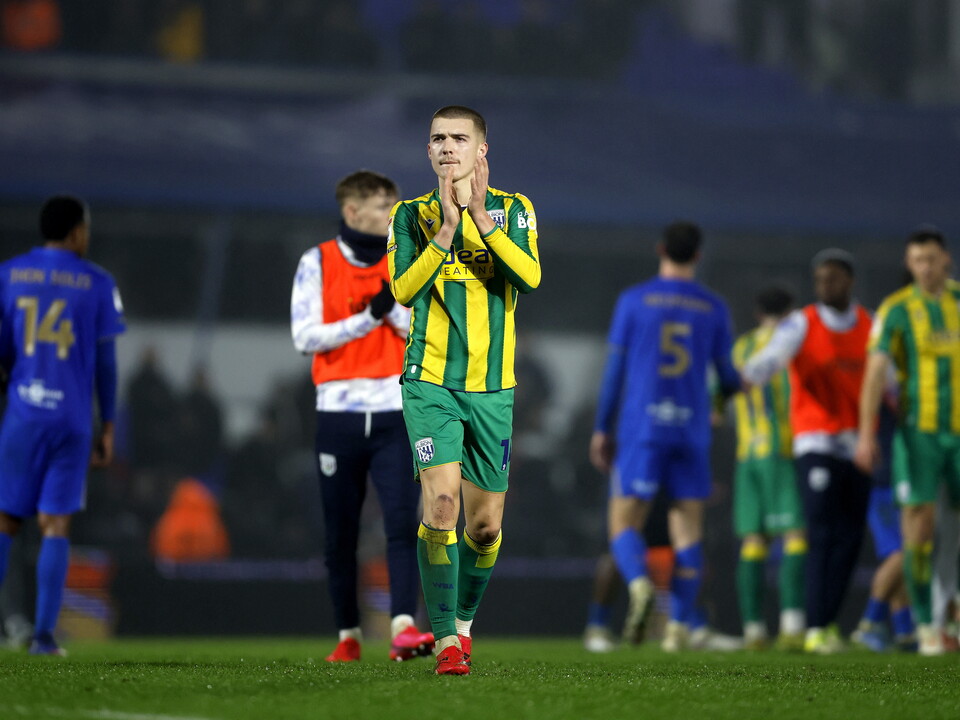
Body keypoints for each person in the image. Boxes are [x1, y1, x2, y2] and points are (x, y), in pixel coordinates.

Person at [388, 105, 541, 675]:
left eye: (459, 138)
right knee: (442, 505)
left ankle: (465, 623)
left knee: (485, 526)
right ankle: (446, 639)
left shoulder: (514, 209)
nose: (447, 147)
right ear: (428, 151)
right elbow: (403, 290)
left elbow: (529, 277)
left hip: (493, 390)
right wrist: (447, 232)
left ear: (482, 150)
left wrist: (478, 218)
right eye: (438, 139)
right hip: (430, 382)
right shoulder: (410, 215)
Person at [291, 170, 433, 663]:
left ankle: (402, 628)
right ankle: (348, 635)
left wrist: (390, 312)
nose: (394, 215)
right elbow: (305, 336)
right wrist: (367, 317)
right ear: (352, 212)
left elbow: (422, 328)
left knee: (402, 523)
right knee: (341, 532)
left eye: (395, 205)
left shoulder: (405, 260)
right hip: (339, 413)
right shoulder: (317, 262)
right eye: (382, 206)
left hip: (396, 409)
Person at [590, 221, 740, 652]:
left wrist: (602, 428)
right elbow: (728, 377)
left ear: (661, 250)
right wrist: (724, 398)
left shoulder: (634, 301)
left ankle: (639, 585)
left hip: (642, 429)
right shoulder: (713, 307)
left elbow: (615, 373)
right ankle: (677, 628)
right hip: (690, 430)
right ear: (697, 255)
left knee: (624, 524)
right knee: (688, 530)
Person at [0, 195, 125, 655]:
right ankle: (44, 638)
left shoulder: (10, 274)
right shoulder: (98, 282)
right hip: (71, 419)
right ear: (76, 231)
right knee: (55, 525)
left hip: (23, 414)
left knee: (6, 520)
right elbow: (107, 365)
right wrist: (108, 425)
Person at [743, 249, 872, 654]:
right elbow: (772, 357)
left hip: (857, 444)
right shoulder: (802, 322)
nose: (824, 286)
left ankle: (826, 625)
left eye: (832, 278)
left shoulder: (870, 324)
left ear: (850, 281)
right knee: (820, 532)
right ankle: (812, 625)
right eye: (818, 279)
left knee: (850, 539)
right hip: (815, 443)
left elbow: (885, 379)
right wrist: (749, 375)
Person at [854, 227, 960, 656]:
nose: (925, 268)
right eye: (917, 260)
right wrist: (865, 434)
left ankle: (949, 611)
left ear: (946, 259)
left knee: (955, 529)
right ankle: (926, 626)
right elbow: (875, 374)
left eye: (931, 259)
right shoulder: (896, 309)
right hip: (918, 435)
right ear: (908, 264)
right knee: (919, 524)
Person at [730, 285, 807, 651]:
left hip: (747, 453)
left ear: (758, 313)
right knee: (795, 536)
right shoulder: (792, 343)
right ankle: (792, 626)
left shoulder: (740, 347)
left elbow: (719, 393)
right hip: (783, 448)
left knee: (753, 541)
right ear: (791, 310)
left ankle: (754, 630)